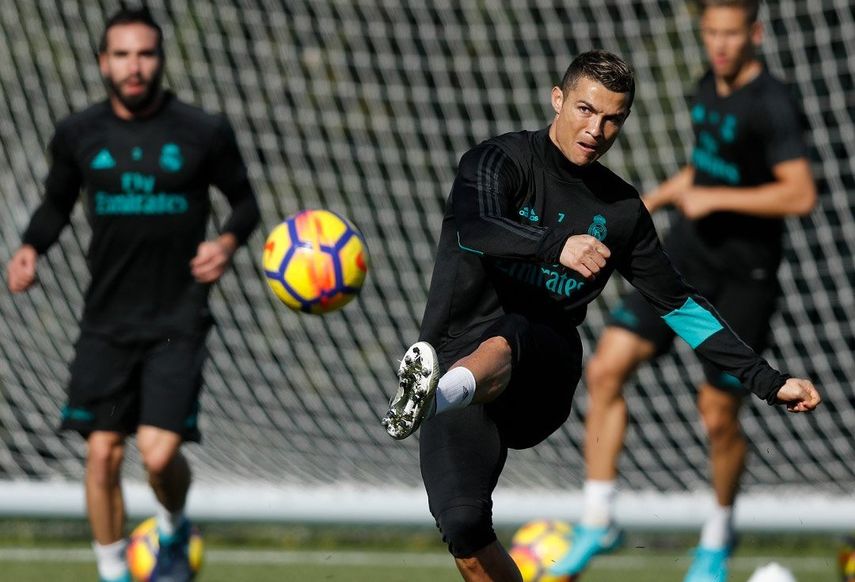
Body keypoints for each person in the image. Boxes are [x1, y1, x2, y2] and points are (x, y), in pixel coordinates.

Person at [381, 49, 820, 582]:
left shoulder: (621, 210)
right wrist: (554, 245)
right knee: (466, 533)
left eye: (613, 119)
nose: (596, 129)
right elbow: (474, 227)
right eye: (586, 110)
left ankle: (430, 398)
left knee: (513, 331)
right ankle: (437, 395)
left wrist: (769, 382)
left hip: (542, 371)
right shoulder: (497, 162)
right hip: (456, 359)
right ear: (558, 99)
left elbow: (679, 304)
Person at [552, 2, 818, 582]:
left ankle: (717, 541)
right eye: (711, 34)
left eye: (731, 34)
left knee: (717, 414)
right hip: (684, 258)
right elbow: (705, 170)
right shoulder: (706, 87)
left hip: (743, 278)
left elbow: (798, 194)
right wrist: (651, 200)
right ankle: (598, 519)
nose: (720, 45)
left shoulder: (773, 103)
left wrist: (718, 201)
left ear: (755, 34)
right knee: (605, 368)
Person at [5, 7, 259, 582]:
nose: (134, 65)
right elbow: (55, 204)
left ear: (160, 60)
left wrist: (224, 242)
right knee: (101, 454)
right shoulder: (78, 134)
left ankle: (173, 527)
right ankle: (114, 573)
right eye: (122, 54)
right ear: (103, 63)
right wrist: (30, 249)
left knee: (159, 455)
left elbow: (245, 204)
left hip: (176, 322)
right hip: (106, 325)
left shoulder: (202, 131)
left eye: (145, 53)